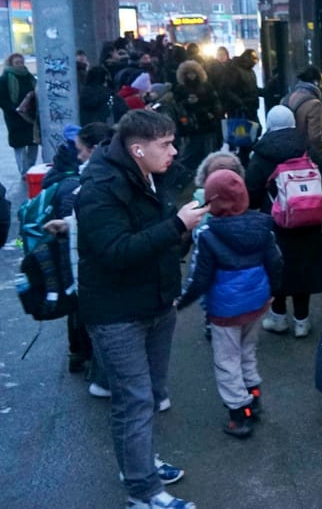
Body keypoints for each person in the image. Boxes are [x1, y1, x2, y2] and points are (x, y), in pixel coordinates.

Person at [75, 109, 208, 509]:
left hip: (155, 302)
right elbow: (116, 251)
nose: (173, 151)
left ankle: (139, 464)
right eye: (165, 144)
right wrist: (178, 227)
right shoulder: (99, 187)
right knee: (133, 400)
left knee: (146, 396)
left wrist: (182, 234)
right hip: (117, 313)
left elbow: (157, 235)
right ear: (137, 149)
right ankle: (143, 492)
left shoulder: (149, 174)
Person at [177, 169, 283, 439]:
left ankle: (240, 414)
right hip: (257, 303)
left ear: (213, 201)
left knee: (227, 360)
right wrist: (274, 292)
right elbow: (276, 263)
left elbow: (199, 279)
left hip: (225, 310)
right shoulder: (262, 226)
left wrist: (180, 301)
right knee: (247, 351)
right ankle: (254, 396)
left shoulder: (208, 234)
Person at [246, 106, 322, 338]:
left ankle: (278, 317)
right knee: (304, 269)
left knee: (276, 267)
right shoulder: (308, 148)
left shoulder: (262, 153)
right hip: (309, 221)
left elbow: (250, 190)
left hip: (274, 221)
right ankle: (302, 320)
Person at [42, 123, 112, 386]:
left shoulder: (84, 181)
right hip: (86, 266)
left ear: (94, 149)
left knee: (86, 314)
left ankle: (88, 361)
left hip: (86, 269)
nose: (79, 155)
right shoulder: (86, 180)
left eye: (82, 150)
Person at [173, 59, 224, 174]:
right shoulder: (180, 89)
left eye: (193, 73)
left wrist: (214, 114)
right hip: (190, 125)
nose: (191, 76)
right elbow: (176, 106)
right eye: (188, 73)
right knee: (191, 151)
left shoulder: (206, 86)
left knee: (208, 150)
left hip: (206, 123)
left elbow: (215, 101)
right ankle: (189, 174)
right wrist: (187, 102)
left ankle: (206, 173)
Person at [0, 53, 38, 174]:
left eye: (22, 62)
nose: (20, 65)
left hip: (30, 116)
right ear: (11, 64)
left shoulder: (29, 76)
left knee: (33, 142)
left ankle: (31, 168)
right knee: (20, 145)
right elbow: (2, 98)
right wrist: (12, 109)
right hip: (15, 116)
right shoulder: (5, 79)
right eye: (17, 63)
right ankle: (24, 171)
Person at [285, 65, 322, 154]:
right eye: (321, 82)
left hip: (289, 150)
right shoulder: (314, 104)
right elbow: (314, 136)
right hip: (305, 153)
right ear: (316, 82)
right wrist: (320, 152)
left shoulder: (287, 98)